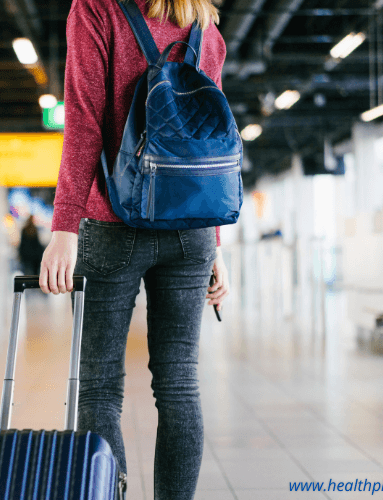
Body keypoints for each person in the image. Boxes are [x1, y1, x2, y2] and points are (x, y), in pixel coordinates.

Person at [39, 0, 231, 498]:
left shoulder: (96, 10)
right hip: (190, 232)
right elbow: (207, 147)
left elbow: (83, 121)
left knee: (100, 388)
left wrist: (63, 228)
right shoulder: (205, 25)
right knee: (179, 385)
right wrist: (214, 246)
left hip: (113, 221)